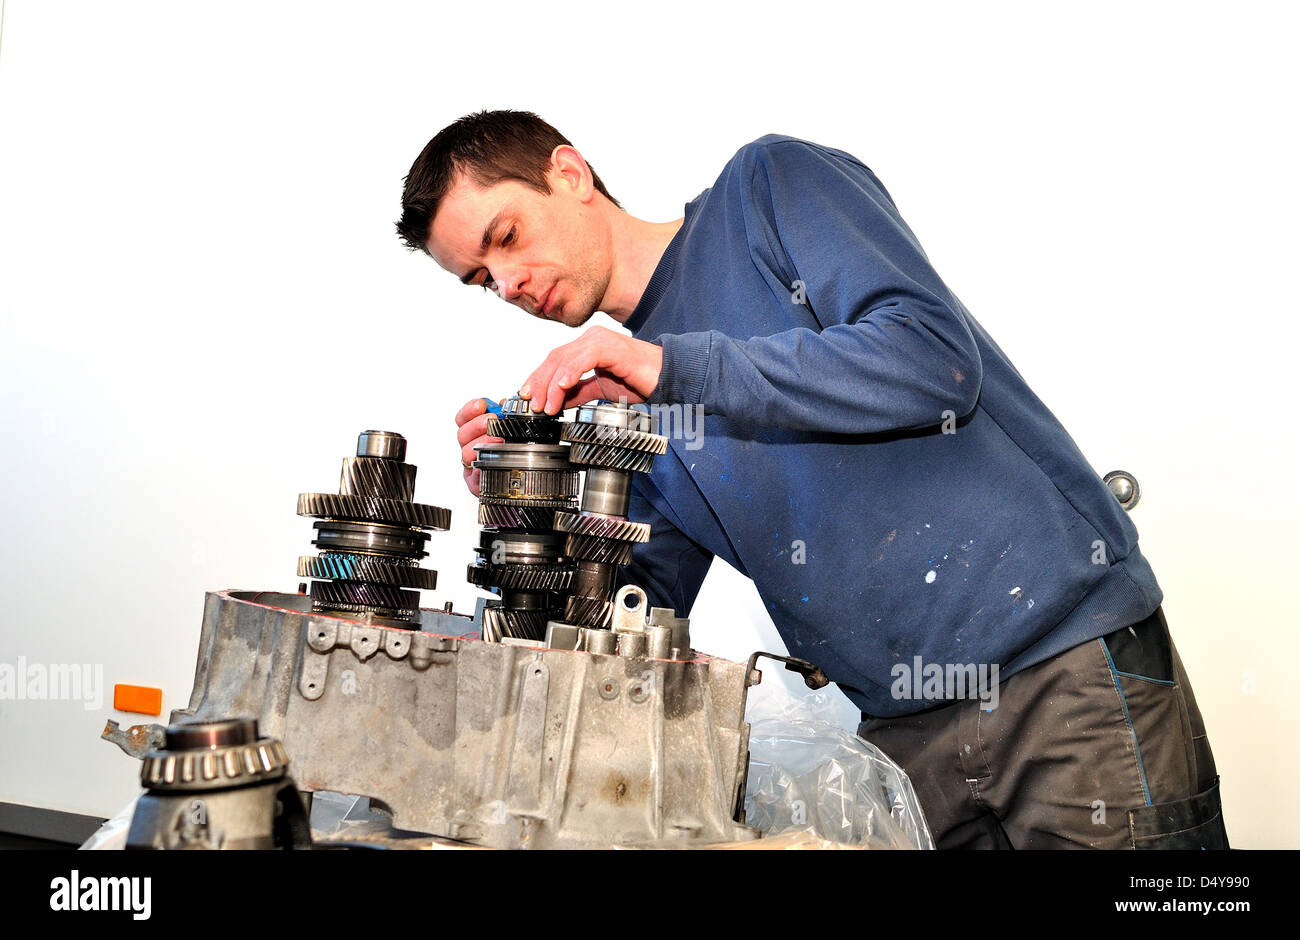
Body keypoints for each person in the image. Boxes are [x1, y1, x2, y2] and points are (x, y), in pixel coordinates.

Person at [396, 110, 1228, 849]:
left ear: (568, 174)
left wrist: (672, 367)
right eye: (479, 279)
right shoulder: (634, 403)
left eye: (504, 239)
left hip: (1064, 678)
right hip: (901, 740)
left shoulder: (768, 188)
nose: (507, 286)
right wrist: (522, 511)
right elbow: (626, 618)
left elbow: (933, 362)